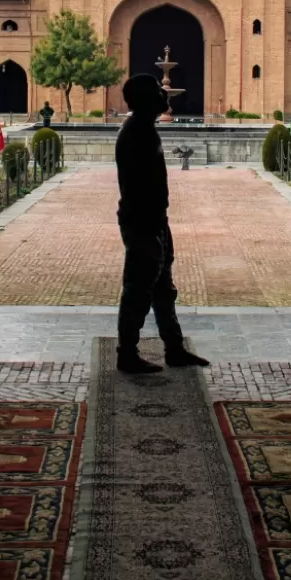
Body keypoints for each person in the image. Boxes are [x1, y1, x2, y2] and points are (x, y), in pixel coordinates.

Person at [115, 74, 208, 374]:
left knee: (162, 289)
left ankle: (174, 348)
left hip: (154, 219)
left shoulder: (145, 130)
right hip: (142, 220)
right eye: (157, 90)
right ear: (144, 98)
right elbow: (138, 187)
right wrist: (150, 226)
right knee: (138, 289)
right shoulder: (135, 134)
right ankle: (127, 353)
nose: (163, 93)